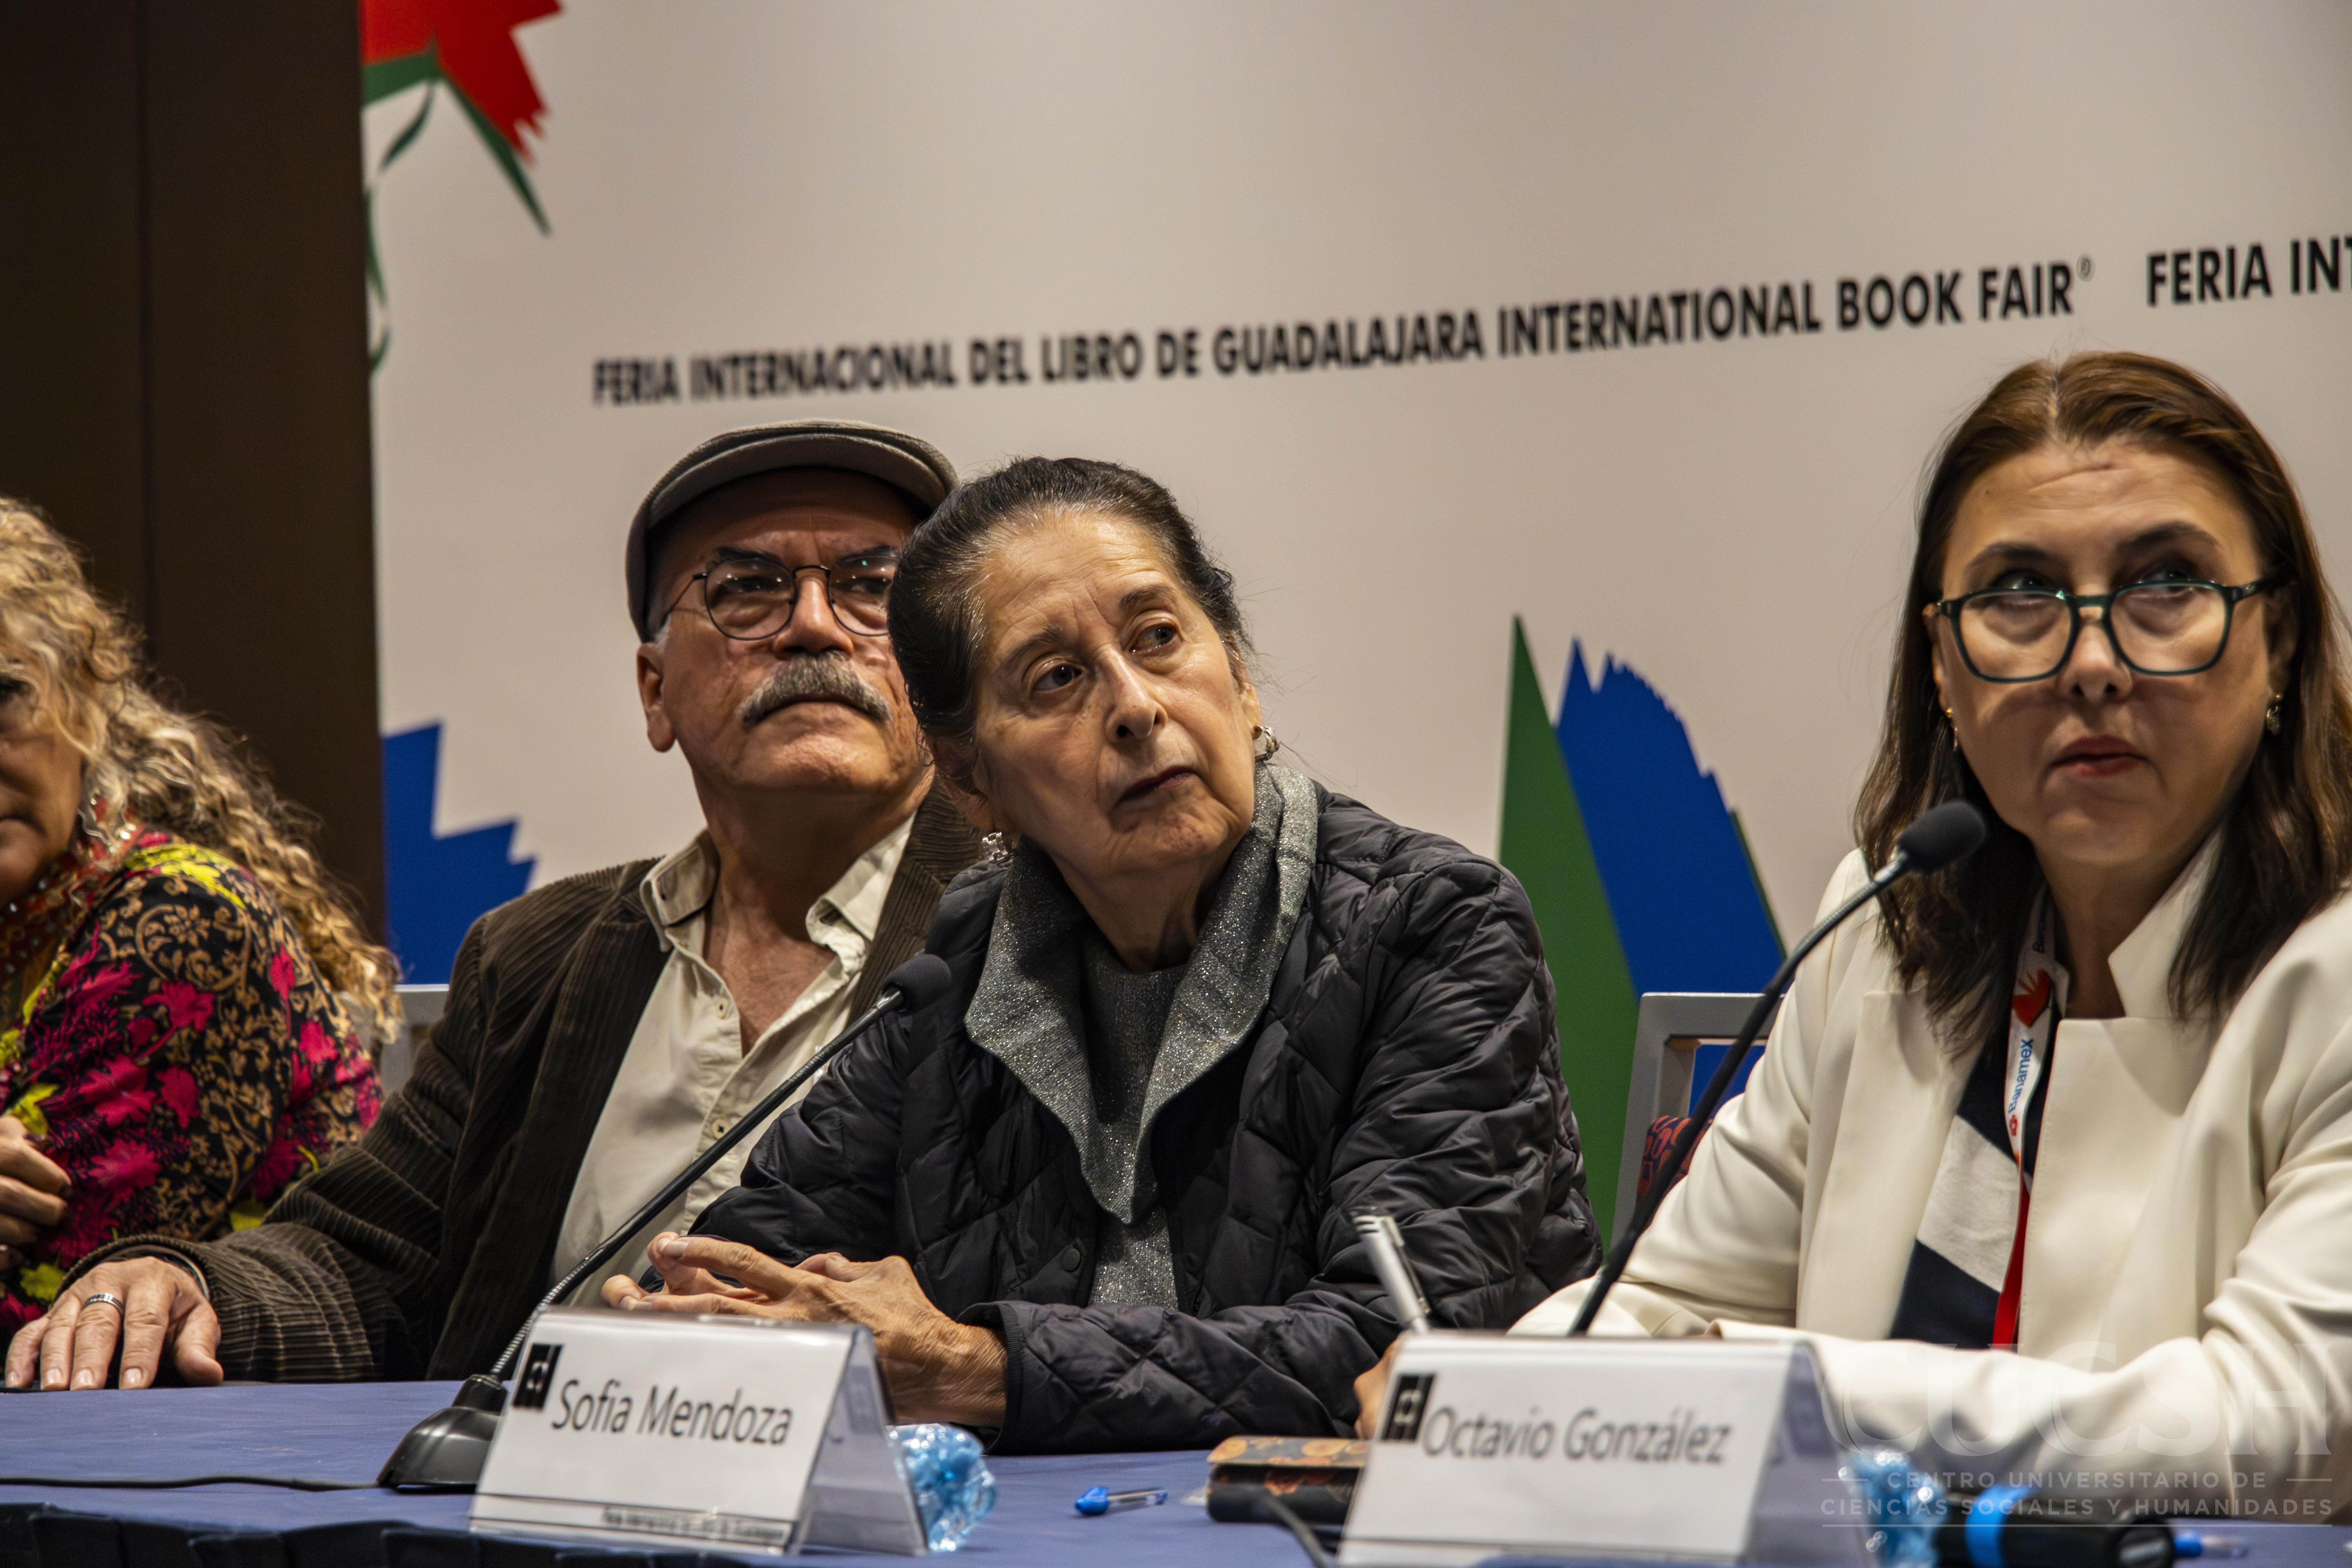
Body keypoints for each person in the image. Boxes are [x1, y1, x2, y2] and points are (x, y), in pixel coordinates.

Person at [1487, 353, 2352, 1514]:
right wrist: (1494, 1393)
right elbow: (1661, 1305)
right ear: (1944, 665)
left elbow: (2275, 1437)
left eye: (2165, 584)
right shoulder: (1890, 920)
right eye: (2020, 596)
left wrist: (1782, 1391)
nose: (2094, 664)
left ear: (2279, 641)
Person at [602, 456, 1601, 1451]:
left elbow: (1400, 1349)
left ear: (1242, 680)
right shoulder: (961, 965)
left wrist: (978, 1368)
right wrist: (681, 1328)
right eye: (1057, 678)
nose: (1135, 706)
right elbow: (742, 1273)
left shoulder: (1431, 925)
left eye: (1158, 638)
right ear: (971, 781)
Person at [7, 419, 983, 1391]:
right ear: (655, 693)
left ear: (940, 684)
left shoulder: (1028, 936)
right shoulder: (535, 959)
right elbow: (360, 1262)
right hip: (535, 1477)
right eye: (745, 589)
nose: (813, 625)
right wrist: (184, 1281)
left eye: (871, 588)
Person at [0, 504, 387, 1354]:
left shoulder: (181, 921)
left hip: (249, 1428)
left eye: (2, 698)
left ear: (85, 700)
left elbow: (38, 1312)